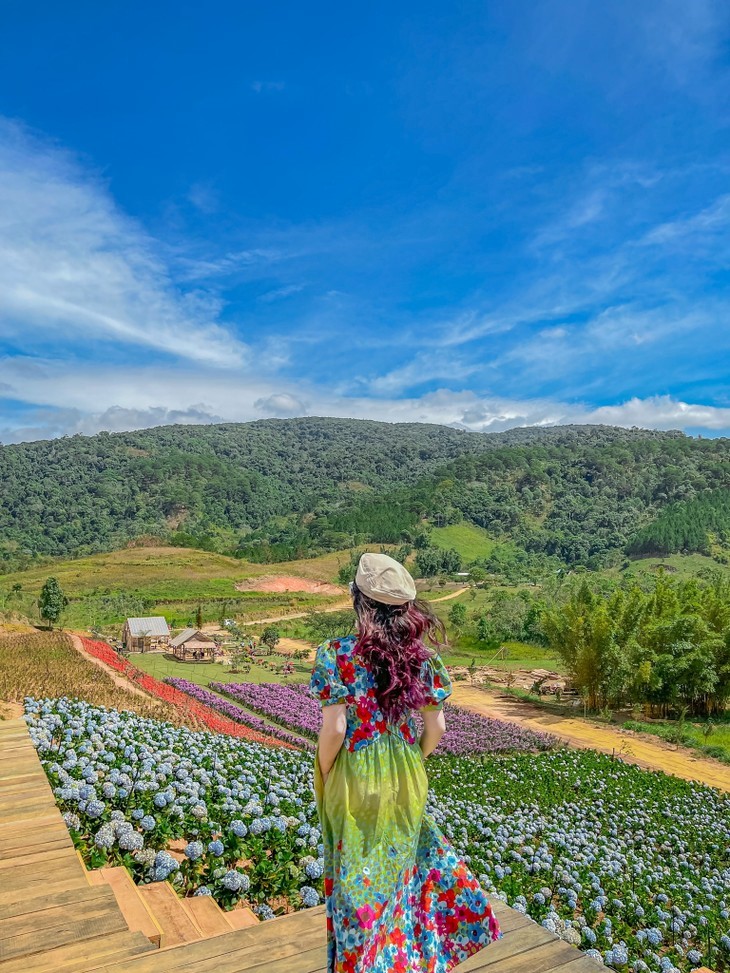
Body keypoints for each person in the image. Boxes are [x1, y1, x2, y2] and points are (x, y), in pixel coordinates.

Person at [309, 552, 503, 973]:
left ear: (359, 600)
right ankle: (404, 958)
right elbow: (437, 727)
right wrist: (412, 759)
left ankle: (362, 963)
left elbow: (336, 729)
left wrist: (325, 770)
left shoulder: (336, 653)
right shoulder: (423, 659)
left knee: (355, 881)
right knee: (403, 871)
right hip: (407, 774)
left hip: (354, 773)